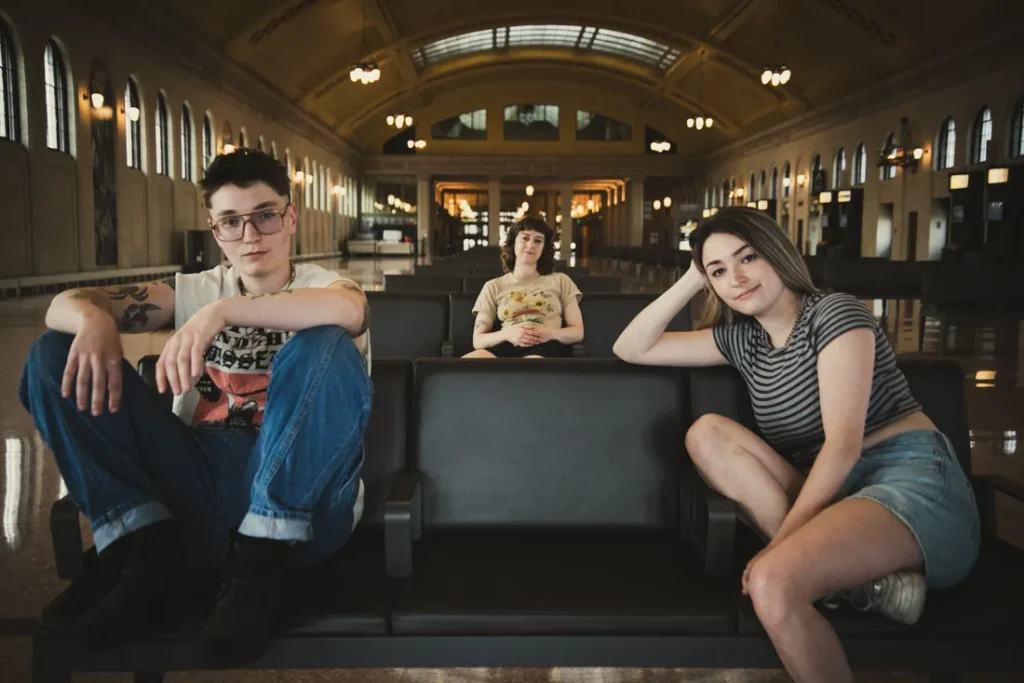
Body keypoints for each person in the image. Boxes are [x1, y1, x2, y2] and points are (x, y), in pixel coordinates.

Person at [19, 149, 372, 667]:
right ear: (215, 229)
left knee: (324, 344)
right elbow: (61, 303)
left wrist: (222, 313)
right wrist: (95, 321)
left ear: (290, 217)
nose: (250, 235)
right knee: (53, 352)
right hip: (193, 485)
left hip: (304, 510)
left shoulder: (323, 287)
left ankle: (257, 571)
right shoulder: (193, 290)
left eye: (265, 215)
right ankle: (144, 553)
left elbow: (348, 310)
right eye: (232, 221)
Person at [613, 207, 979, 683]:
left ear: (776, 253)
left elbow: (843, 447)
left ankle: (821, 577)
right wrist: (692, 278)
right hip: (834, 491)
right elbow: (632, 347)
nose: (737, 278)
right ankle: (867, 587)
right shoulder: (744, 340)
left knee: (771, 581)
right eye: (720, 270)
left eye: (747, 258)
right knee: (706, 433)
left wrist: (778, 549)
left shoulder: (834, 313)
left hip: (907, 479)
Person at [463, 216, 584, 359]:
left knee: (528, 369)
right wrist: (508, 334)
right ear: (513, 242)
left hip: (547, 346)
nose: (531, 245)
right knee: (465, 366)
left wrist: (550, 333)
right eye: (525, 238)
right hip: (506, 344)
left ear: (544, 248)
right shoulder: (493, 286)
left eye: (538, 240)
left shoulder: (561, 281)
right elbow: (478, 340)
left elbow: (577, 332)